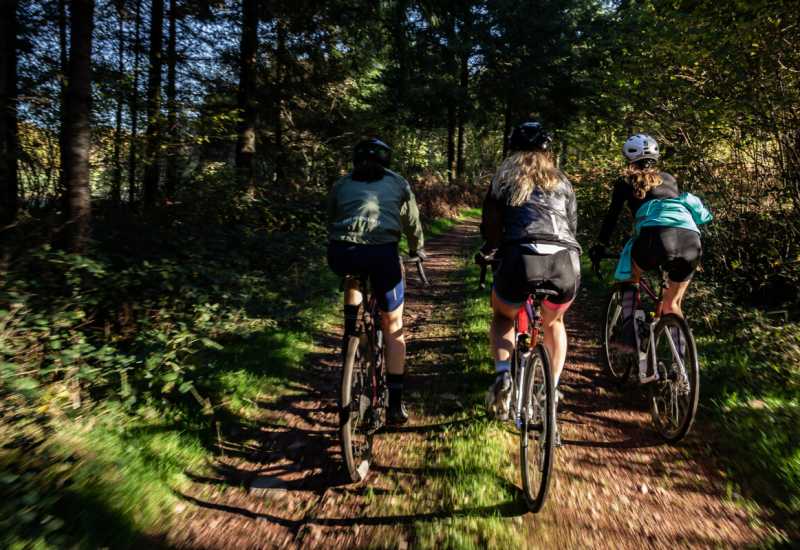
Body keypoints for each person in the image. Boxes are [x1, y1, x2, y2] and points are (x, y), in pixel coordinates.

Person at [478, 122, 581, 433]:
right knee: (554, 322)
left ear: (512, 151)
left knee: (502, 316)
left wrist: (486, 253)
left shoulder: (503, 179)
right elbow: (572, 225)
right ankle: (552, 387)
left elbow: (492, 229)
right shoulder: (562, 181)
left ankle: (503, 376)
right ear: (548, 151)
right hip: (565, 261)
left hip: (520, 258)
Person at [327, 139, 426, 425]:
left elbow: (332, 218)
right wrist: (415, 248)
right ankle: (395, 404)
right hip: (383, 255)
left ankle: (349, 333)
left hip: (340, 252)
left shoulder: (343, 182)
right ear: (388, 160)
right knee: (393, 326)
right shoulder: (398, 182)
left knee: (352, 274)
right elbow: (411, 220)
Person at [588, 134, 711, 355]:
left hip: (657, 237)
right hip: (691, 238)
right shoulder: (669, 179)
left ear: (628, 157)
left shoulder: (625, 180)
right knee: (672, 305)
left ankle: (630, 335)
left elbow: (612, 217)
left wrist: (600, 246)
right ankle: (681, 368)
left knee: (630, 276)